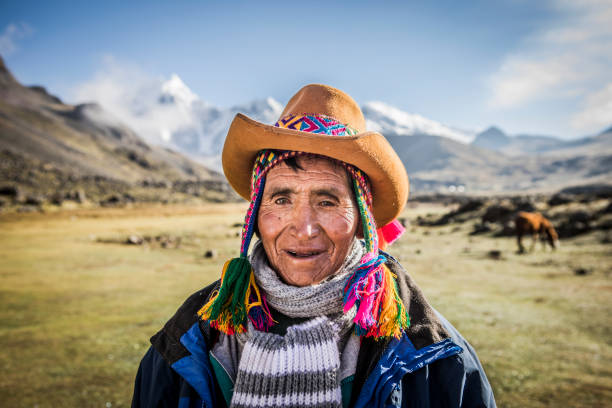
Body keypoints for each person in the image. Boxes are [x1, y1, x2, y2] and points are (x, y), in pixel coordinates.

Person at [132, 84, 496, 407]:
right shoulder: (185, 343)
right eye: (281, 199)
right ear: (256, 214)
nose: (303, 229)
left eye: (327, 201)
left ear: (362, 221)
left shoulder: (435, 358)